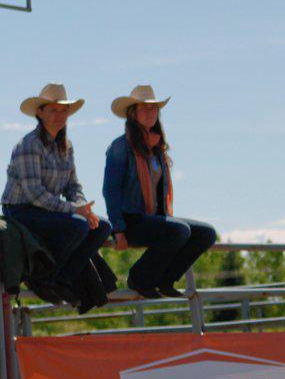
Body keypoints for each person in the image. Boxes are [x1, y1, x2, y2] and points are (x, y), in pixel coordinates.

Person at [2, 83, 112, 306]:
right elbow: (35, 194)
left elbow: (72, 186)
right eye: (53, 110)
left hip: (47, 209)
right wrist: (74, 210)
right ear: (40, 113)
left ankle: (62, 279)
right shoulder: (28, 145)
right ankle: (43, 278)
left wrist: (84, 208)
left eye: (63, 111)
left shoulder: (66, 146)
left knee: (102, 227)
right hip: (21, 211)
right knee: (78, 226)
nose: (59, 116)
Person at [103, 85, 217, 299]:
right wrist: (118, 229)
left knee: (206, 233)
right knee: (179, 231)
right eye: (144, 108)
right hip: (131, 220)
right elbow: (110, 190)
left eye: (154, 108)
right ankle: (139, 278)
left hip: (155, 219)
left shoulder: (157, 149)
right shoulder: (121, 146)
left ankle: (165, 279)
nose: (151, 113)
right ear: (132, 113)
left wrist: (164, 218)